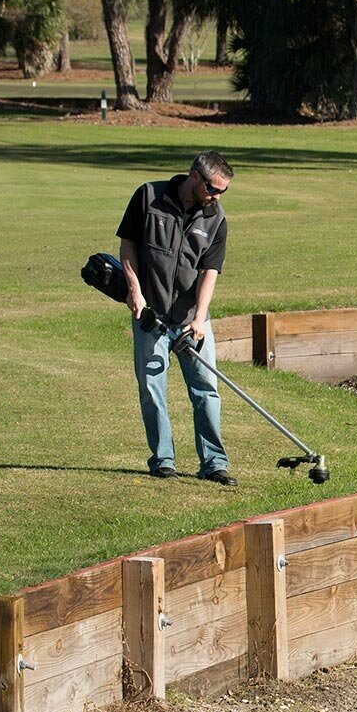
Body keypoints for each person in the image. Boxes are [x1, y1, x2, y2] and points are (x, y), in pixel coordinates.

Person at [117, 151, 237, 485]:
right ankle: (163, 460)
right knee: (152, 388)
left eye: (223, 191)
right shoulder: (149, 197)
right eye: (214, 188)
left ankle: (214, 463)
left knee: (205, 390)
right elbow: (128, 246)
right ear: (195, 177)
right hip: (150, 314)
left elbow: (209, 272)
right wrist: (135, 292)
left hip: (191, 319)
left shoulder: (215, 217)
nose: (217, 196)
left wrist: (199, 320)